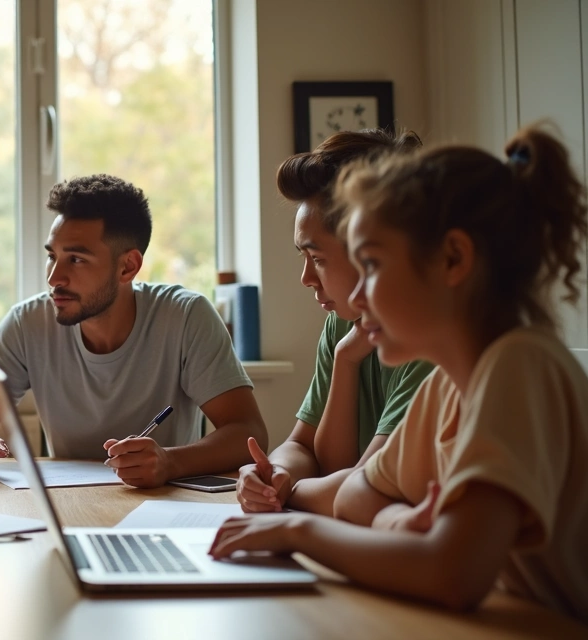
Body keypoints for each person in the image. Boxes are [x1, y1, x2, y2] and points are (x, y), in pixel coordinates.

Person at [211, 125, 588, 622]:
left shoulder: (519, 365)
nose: (359, 297)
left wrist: (295, 531)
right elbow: (355, 496)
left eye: (371, 265)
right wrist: (401, 523)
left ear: (453, 259)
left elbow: (452, 574)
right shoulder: (446, 385)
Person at [0, 174, 267, 488]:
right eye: (52, 257)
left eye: (76, 260)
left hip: (161, 500)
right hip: (68, 503)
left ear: (128, 267)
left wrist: (170, 462)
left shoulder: (185, 316)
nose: (54, 278)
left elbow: (247, 431)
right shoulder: (28, 323)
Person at [236, 129, 432, 516]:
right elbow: (306, 450)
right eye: (303, 257)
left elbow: (361, 490)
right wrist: (275, 473)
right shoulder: (345, 325)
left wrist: (287, 493)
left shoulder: (427, 340)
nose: (307, 277)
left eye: (319, 258)